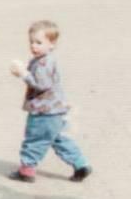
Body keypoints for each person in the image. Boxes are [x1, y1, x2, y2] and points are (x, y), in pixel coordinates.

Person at [7, 20, 92, 183]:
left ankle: (27, 170)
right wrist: (27, 68)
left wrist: (24, 74)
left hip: (44, 112)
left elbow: (42, 85)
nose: (34, 46)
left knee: (34, 139)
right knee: (60, 139)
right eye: (31, 42)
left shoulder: (44, 63)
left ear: (51, 44)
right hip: (56, 110)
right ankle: (81, 165)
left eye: (39, 42)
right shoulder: (44, 60)